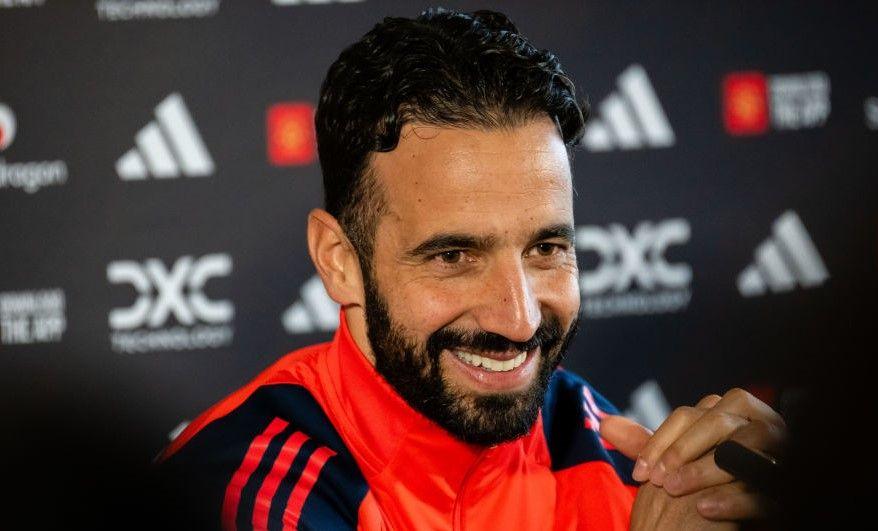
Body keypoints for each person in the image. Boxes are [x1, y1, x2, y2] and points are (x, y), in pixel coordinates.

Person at [158, 8, 786, 529]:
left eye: (545, 249)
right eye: (453, 257)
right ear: (338, 261)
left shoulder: (618, 456)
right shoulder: (241, 494)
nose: (518, 319)